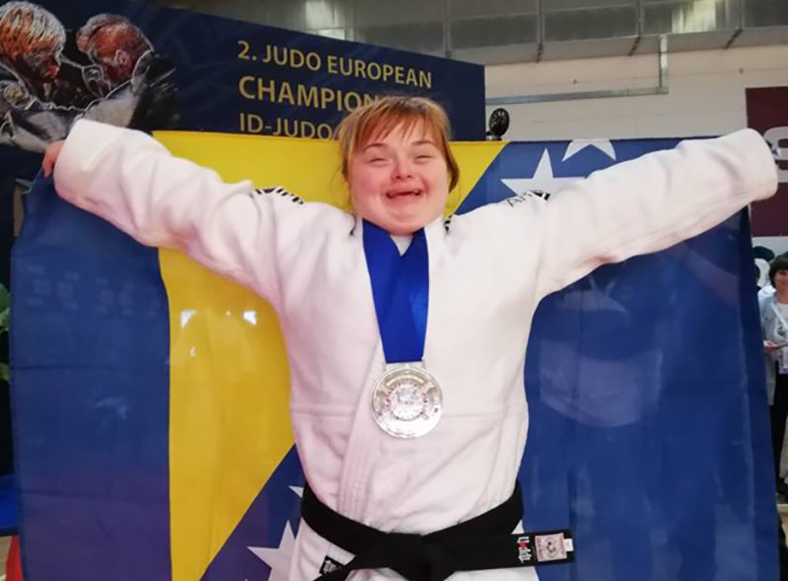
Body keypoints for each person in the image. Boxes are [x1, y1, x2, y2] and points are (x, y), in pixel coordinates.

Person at [41, 96, 777, 580]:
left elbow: (624, 201)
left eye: (422, 155)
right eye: (378, 157)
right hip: (341, 555)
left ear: (448, 175)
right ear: (349, 177)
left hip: (480, 558)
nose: (402, 172)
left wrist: (752, 161)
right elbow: (192, 204)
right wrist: (87, 158)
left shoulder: (511, 240)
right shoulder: (297, 241)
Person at [761, 255, 788, 497]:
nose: (786, 278)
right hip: (776, 373)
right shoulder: (763, 304)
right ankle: (774, 478)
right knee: (775, 428)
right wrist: (762, 345)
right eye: (782, 273)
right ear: (774, 276)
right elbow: (751, 334)